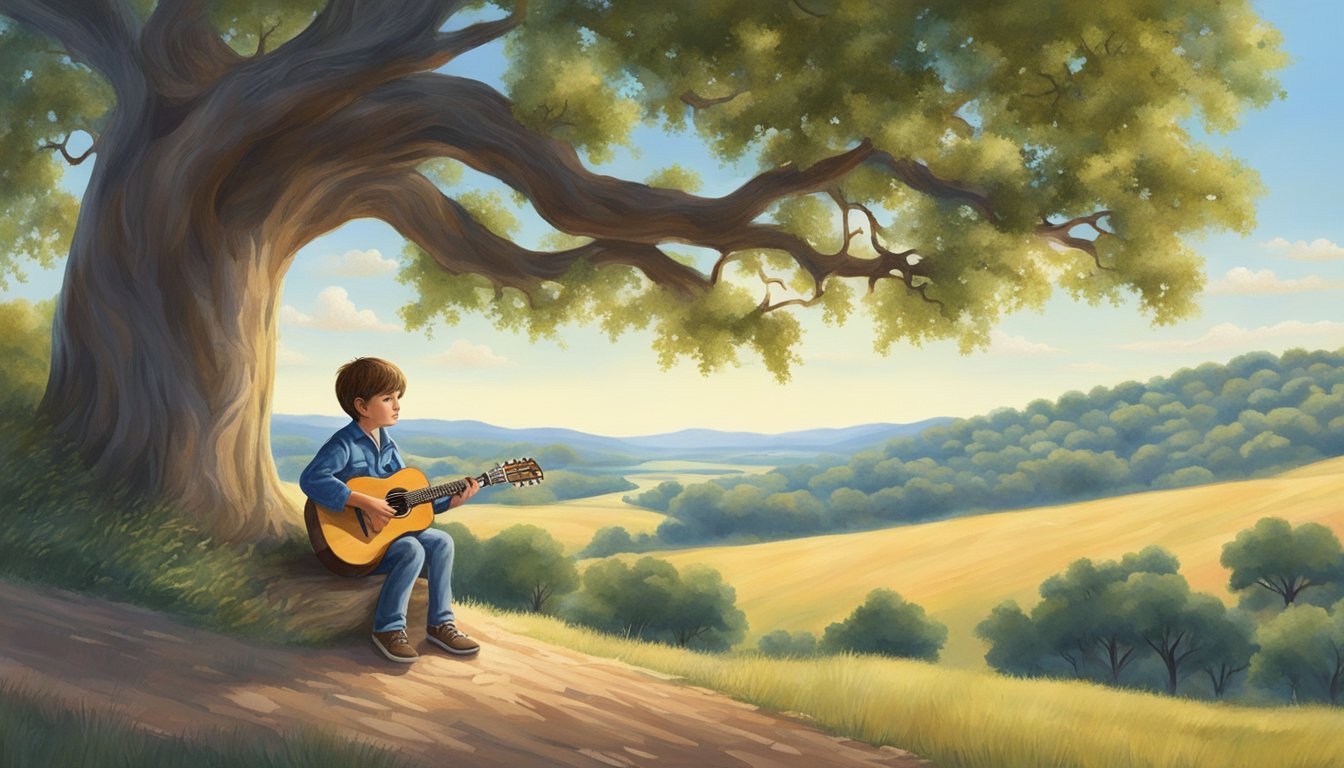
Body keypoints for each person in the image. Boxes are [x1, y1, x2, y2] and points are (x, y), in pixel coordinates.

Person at [300, 356, 481, 663]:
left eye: (398, 398)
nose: (397, 405)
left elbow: (406, 499)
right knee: (411, 548)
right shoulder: (344, 443)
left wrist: (449, 500)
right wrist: (363, 501)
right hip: (353, 545)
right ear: (362, 406)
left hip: (384, 539)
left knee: (441, 542)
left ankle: (441, 623)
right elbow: (311, 479)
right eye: (387, 398)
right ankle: (388, 628)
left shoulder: (389, 445)